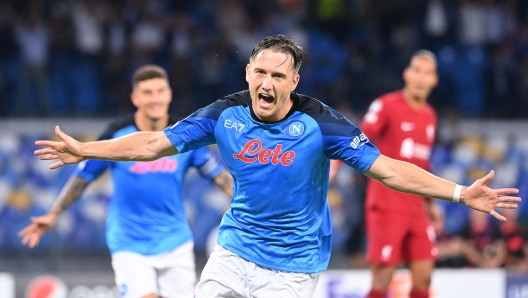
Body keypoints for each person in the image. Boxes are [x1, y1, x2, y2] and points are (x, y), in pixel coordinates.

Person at [33, 35, 520, 298]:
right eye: (259, 72)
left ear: (294, 81)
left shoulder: (321, 123)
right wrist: (86, 150)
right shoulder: (224, 115)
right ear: (248, 72)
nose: (266, 82)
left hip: (292, 267)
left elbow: (389, 169)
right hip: (234, 249)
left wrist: (459, 193)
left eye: (277, 75)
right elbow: (153, 144)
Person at [19, 65, 234, 298]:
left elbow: (219, 177)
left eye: (160, 91)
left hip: (175, 241)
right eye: (147, 93)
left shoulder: (184, 135)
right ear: (135, 98)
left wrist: (252, 205)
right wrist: (53, 214)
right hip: (130, 243)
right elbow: (83, 177)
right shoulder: (117, 135)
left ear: (169, 94)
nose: (155, 99)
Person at [360, 50, 443, 298]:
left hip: (416, 207)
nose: (420, 77)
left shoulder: (430, 115)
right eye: (416, 70)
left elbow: (422, 163)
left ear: (434, 80)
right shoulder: (386, 105)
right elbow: (359, 137)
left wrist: (430, 202)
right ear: (407, 73)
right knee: (383, 278)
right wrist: (334, 166)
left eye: (427, 73)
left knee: (424, 275)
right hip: (387, 204)